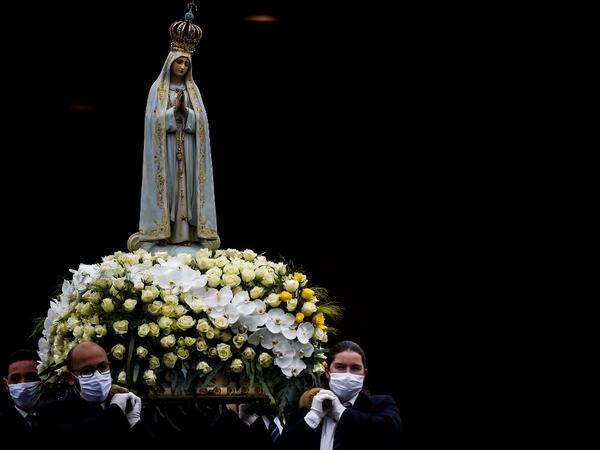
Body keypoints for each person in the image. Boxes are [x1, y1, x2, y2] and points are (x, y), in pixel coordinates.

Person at [128, 4, 220, 253]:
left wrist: (187, 113)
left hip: (188, 149)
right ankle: (163, 234)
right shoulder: (156, 90)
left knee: (187, 189)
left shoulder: (193, 91)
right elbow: (152, 123)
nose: (182, 67)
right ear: (170, 63)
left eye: (186, 64)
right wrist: (172, 112)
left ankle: (188, 233)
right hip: (167, 149)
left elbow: (202, 123)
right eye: (179, 62)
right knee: (168, 188)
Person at [278, 340, 402, 450]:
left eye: (355, 368)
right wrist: (313, 417)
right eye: (340, 367)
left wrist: (340, 412)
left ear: (364, 373)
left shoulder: (380, 404)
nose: (347, 374)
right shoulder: (307, 407)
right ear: (327, 372)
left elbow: (390, 433)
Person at [37, 341, 146, 441]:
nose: (98, 375)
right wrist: (115, 410)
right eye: (87, 370)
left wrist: (135, 423)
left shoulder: (128, 404)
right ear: (70, 378)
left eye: (102, 367)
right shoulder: (52, 412)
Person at [0, 349, 42, 441]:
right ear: (6, 384)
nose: (23, 384)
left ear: (42, 380)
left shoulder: (58, 416)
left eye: (31, 377)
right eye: (15, 378)